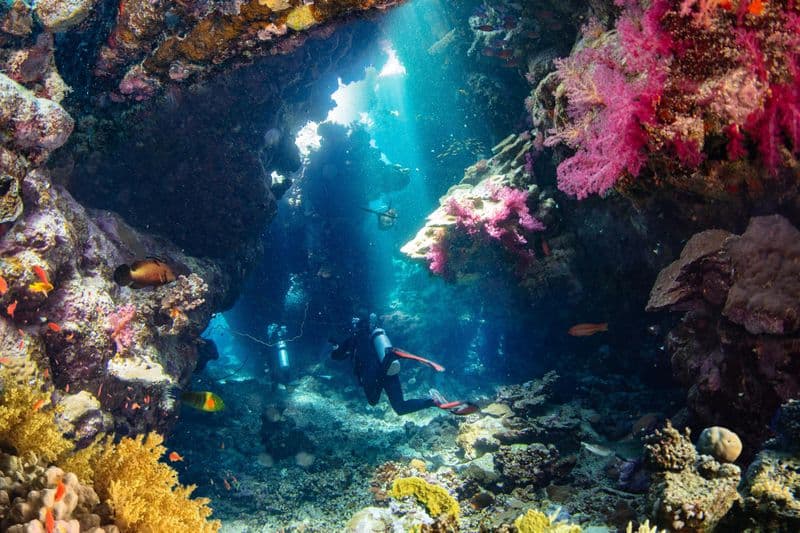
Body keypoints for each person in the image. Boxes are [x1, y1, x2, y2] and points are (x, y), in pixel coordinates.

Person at [330, 314, 477, 416]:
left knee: (374, 401)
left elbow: (336, 356)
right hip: (389, 370)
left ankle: (394, 354)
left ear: (356, 327)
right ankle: (433, 401)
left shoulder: (353, 339)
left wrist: (336, 347)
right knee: (399, 408)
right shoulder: (376, 339)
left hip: (373, 374)